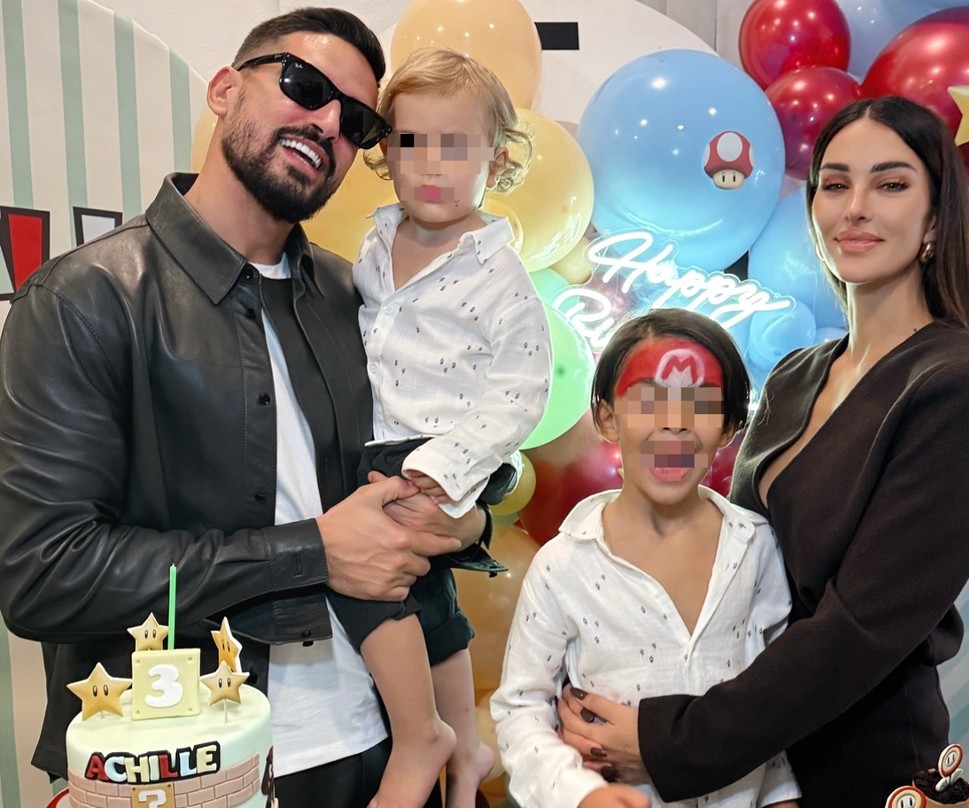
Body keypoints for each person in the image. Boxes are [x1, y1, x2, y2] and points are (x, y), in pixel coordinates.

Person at [0, 9, 488, 807]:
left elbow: (445, 443)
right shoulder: (86, 298)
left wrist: (473, 518)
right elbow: (44, 575)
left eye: (357, 122)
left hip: (381, 751)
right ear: (226, 89)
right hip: (187, 766)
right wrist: (311, 553)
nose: (328, 123)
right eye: (304, 85)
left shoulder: (360, 294)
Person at [557, 96, 969, 808]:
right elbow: (729, 567)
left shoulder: (960, 392)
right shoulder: (798, 374)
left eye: (891, 184)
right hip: (742, 764)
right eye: (834, 183)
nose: (855, 207)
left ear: (935, 221)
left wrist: (670, 739)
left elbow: (860, 629)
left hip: (854, 769)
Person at [328, 47, 550, 808]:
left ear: (497, 157)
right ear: (385, 151)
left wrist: (448, 466)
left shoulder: (497, 271)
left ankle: (419, 736)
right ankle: (466, 748)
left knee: (368, 580)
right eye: (411, 141)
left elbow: (523, 390)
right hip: (383, 439)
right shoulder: (375, 241)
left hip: (445, 448)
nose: (430, 163)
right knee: (428, 602)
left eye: (455, 145)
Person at [492, 308, 802, 808]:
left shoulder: (757, 547)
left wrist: (781, 796)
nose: (674, 424)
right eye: (648, 401)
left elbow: (774, 698)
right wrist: (579, 795)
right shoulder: (561, 566)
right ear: (607, 417)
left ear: (729, 426)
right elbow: (520, 709)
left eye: (701, 404)